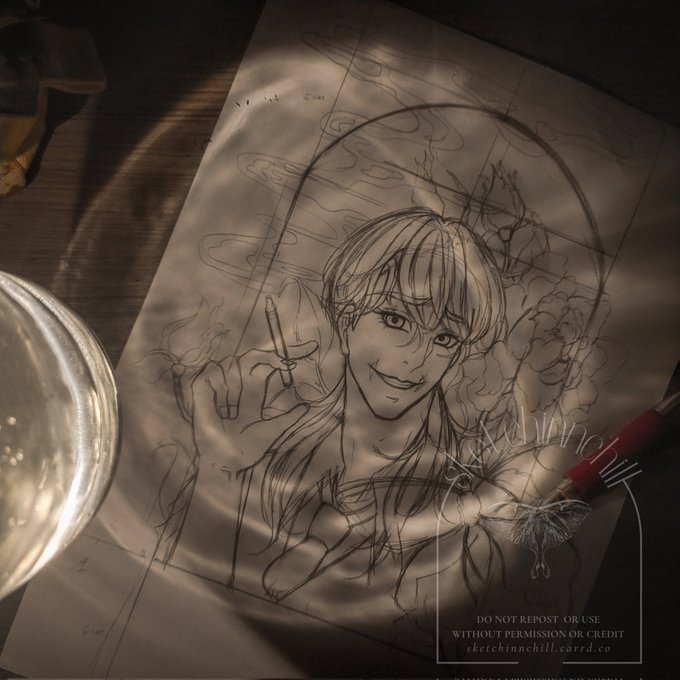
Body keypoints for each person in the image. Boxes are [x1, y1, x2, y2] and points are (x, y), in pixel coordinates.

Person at [190, 206, 506, 601]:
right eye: (395, 319)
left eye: (444, 338)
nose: (415, 358)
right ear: (345, 322)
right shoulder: (277, 441)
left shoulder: (457, 496)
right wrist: (218, 468)